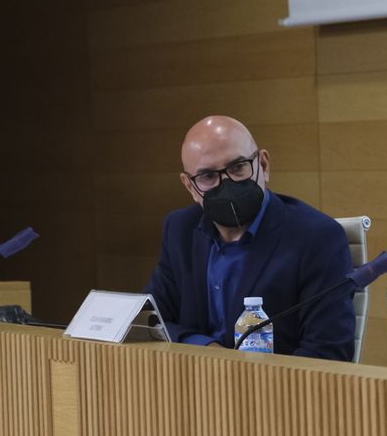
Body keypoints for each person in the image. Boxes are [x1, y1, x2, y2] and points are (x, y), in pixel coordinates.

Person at [148, 115, 355, 360]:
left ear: (263, 165)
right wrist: (209, 350)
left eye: (237, 168)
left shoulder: (317, 237)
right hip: (195, 385)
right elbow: (152, 320)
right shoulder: (180, 229)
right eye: (208, 177)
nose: (226, 185)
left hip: (279, 389)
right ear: (190, 187)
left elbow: (328, 351)